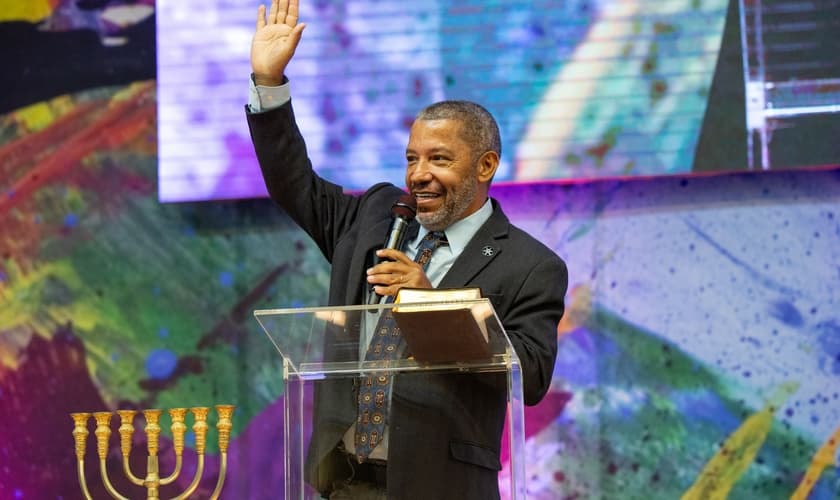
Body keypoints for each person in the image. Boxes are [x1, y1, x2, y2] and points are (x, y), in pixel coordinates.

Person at [246, 1, 568, 498]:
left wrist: (432, 303)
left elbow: (529, 376)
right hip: (345, 481)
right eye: (412, 158)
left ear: (485, 167)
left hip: (442, 486)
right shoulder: (378, 217)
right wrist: (269, 84)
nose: (419, 175)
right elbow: (295, 185)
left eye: (439, 159)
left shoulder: (531, 266)